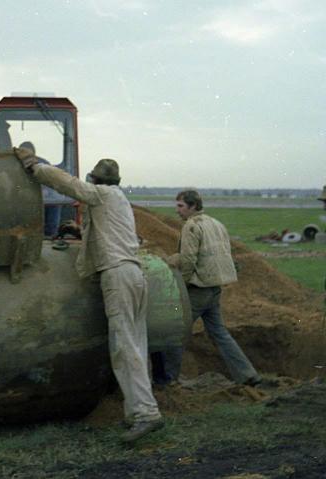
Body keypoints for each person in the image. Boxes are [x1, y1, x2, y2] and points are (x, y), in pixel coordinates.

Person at [14, 147, 164, 443]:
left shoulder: (101, 194)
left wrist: (35, 167)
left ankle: (146, 414)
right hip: (134, 273)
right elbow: (111, 233)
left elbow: (69, 185)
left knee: (124, 347)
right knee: (135, 342)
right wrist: (80, 231)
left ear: (96, 180)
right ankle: (143, 409)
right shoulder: (118, 200)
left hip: (117, 275)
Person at [158, 190, 262, 386]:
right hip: (214, 288)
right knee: (220, 333)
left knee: (176, 331)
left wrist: (183, 284)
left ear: (193, 206)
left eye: (180, 206)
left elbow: (189, 260)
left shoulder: (191, 226)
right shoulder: (216, 223)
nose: (176, 210)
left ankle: (168, 380)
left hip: (198, 290)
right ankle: (248, 375)